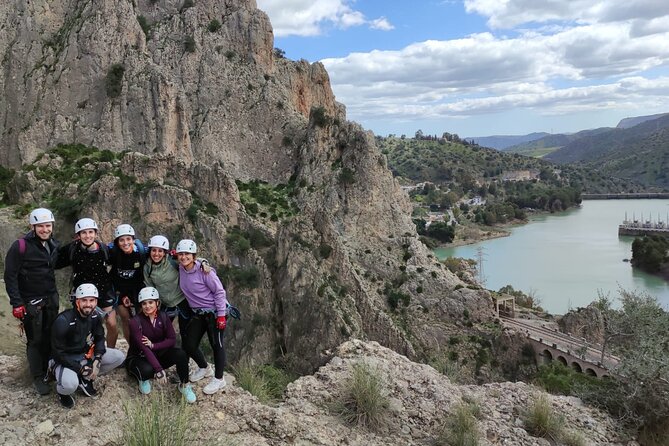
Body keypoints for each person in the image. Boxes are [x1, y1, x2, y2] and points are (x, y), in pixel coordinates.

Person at [4, 208, 62, 395]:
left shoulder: (52, 244)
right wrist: (16, 303)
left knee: (50, 335)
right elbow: (10, 275)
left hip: (51, 297)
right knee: (35, 340)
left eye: (48, 225)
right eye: (41, 226)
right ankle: (37, 377)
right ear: (33, 226)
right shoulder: (20, 246)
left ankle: (48, 370)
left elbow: (57, 263)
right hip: (31, 301)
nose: (45, 229)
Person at [143, 235, 211, 381]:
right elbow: (150, 288)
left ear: (166, 252)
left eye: (160, 251)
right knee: (161, 335)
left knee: (186, 338)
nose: (156, 254)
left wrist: (203, 261)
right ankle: (158, 366)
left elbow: (188, 259)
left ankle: (186, 370)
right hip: (165, 305)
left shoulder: (173, 262)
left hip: (182, 302)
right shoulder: (147, 267)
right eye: (154, 250)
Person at [51, 283, 125, 408]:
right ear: (77, 301)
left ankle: (86, 378)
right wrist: (79, 368)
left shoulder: (95, 316)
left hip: (85, 355)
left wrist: (97, 358)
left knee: (119, 357)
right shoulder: (63, 321)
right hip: (65, 359)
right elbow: (57, 353)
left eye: (92, 300)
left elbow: (100, 338)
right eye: (84, 300)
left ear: (96, 301)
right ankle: (63, 392)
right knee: (70, 385)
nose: (88, 304)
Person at [126, 287, 196, 403]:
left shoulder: (163, 317)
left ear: (157, 303)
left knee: (181, 354)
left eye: (150, 302)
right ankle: (143, 379)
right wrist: (158, 369)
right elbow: (144, 347)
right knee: (147, 370)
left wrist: (154, 346)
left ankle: (184, 385)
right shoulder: (135, 322)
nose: (147, 306)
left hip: (157, 354)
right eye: (144, 303)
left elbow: (172, 340)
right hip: (139, 357)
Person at [177, 239, 229, 394]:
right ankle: (205, 368)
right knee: (189, 344)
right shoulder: (181, 267)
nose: (183, 257)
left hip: (214, 312)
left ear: (194, 256)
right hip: (199, 313)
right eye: (181, 254)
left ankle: (219, 379)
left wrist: (220, 316)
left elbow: (219, 292)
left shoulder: (205, 271)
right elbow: (170, 255)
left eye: (187, 254)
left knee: (217, 344)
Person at [58, 218, 118, 347]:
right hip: (82, 294)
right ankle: (86, 353)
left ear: (95, 233)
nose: (87, 236)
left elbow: (119, 263)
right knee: (85, 326)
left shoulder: (104, 250)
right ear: (78, 236)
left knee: (112, 325)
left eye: (90, 232)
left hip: (103, 291)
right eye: (83, 233)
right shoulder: (72, 250)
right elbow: (54, 261)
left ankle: (110, 351)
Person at [108, 224, 146, 343]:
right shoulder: (113, 252)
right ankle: (132, 349)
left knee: (142, 319)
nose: (125, 243)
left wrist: (201, 261)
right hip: (119, 288)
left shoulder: (141, 251)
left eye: (128, 239)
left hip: (137, 288)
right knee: (126, 318)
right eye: (122, 240)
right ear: (117, 242)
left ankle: (144, 346)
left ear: (133, 240)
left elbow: (161, 253)